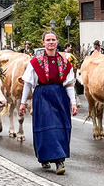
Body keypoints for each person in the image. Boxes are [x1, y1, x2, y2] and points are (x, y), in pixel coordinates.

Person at [18, 31, 77, 175]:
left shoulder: (64, 62)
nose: (51, 42)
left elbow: (69, 84)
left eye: (53, 40)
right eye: (48, 40)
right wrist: (23, 102)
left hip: (59, 96)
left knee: (60, 127)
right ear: (43, 43)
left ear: (57, 42)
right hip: (42, 95)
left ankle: (59, 160)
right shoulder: (35, 63)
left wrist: (73, 102)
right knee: (45, 126)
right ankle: (45, 157)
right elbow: (28, 84)